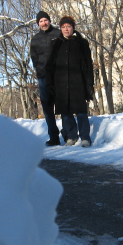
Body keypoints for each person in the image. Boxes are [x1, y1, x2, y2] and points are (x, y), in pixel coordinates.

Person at [46, 16, 94, 148]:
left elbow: (88, 64)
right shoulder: (56, 44)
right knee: (65, 112)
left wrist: (89, 83)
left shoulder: (82, 43)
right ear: (60, 29)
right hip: (60, 83)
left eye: (68, 26)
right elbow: (50, 65)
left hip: (77, 82)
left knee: (81, 111)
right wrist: (50, 83)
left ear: (73, 27)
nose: (66, 29)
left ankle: (85, 137)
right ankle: (72, 136)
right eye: (63, 27)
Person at [30, 10, 65, 146]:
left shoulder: (58, 34)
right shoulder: (35, 39)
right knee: (47, 108)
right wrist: (39, 70)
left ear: (49, 21)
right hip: (44, 77)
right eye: (41, 21)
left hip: (59, 76)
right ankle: (54, 137)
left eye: (45, 20)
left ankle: (68, 134)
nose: (44, 23)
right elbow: (34, 57)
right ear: (38, 24)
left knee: (63, 106)